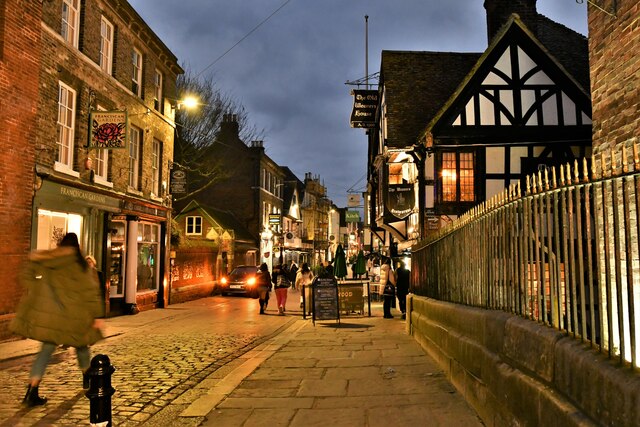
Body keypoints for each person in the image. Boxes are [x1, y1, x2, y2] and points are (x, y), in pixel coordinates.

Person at [11, 233, 104, 407]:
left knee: (44, 352)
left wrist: (38, 289)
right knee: (82, 345)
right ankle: (87, 380)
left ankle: (32, 391)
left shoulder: (49, 261)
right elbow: (90, 291)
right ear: (77, 246)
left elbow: (27, 275)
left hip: (53, 319)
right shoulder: (79, 264)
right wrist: (97, 315)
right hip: (74, 316)